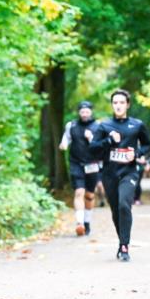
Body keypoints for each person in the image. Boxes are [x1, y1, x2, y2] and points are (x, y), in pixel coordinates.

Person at [90, 89, 150, 262]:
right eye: (115, 102)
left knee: (125, 204)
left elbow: (148, 145)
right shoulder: (104, 126)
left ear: (128, 105)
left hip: (129, 172)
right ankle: (121, 241)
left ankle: (125, 246)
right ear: (112, 105)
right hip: (109, 174)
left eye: (121, 102)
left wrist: (137, 153)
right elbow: (93, 149)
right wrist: (109, 140)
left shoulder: (137, 125)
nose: (118, 105)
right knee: (116, 210)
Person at [59, 101, 101, 236]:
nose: (84, 114)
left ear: (91, 112)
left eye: (87, 111)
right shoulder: (72, 125)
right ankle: (79, 223)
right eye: (82, 112)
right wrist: (64, 144)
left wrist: (92, 138)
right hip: (76, 163)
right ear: (79, 113)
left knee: (89, 195)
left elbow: (102, 145)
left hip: (92, 164)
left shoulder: (98, 126)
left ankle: (87, 222)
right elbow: (66, 139)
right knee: (79, 192)